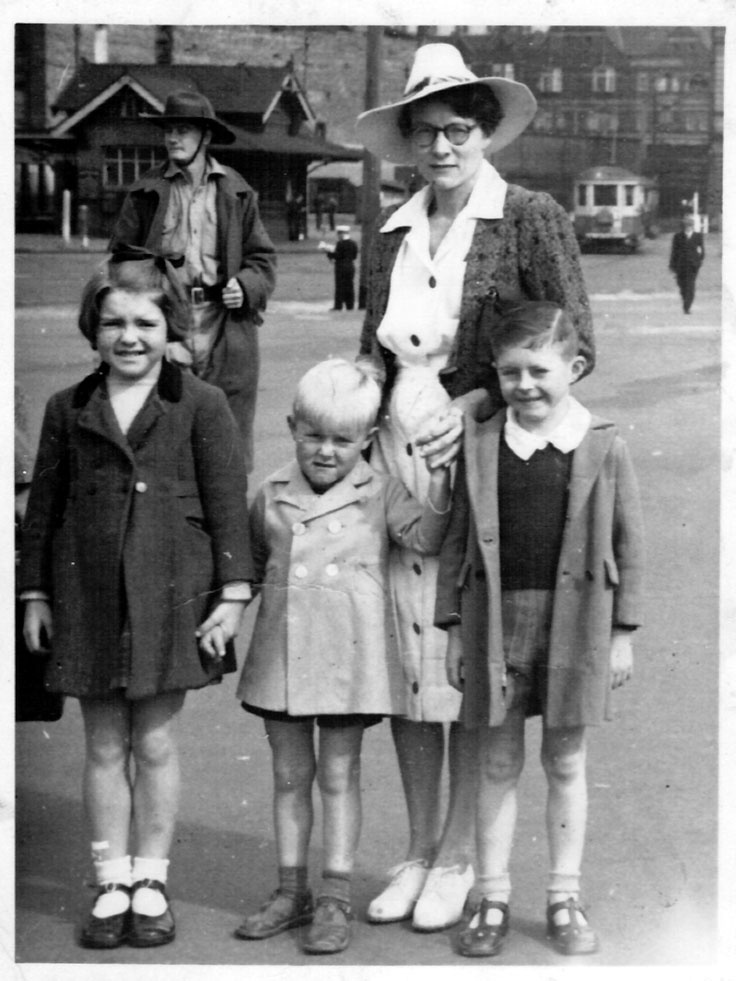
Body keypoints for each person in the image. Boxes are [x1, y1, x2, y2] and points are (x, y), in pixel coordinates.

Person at [355, 42, 594, 932]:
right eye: (425, 132)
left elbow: (578, 344)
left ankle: (460, 856)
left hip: (485, 464)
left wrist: (476, 401)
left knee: (462, 662)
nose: (442, 146)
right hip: (396, 459)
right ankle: (419, 849)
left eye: (458, 128)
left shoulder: (529, 216)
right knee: (406, 665)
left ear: (486, 131)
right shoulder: (390, 231)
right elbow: (373, 351)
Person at [19, 254, 254, 949]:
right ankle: (110, 879)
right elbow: (43, 510)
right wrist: (35, 591)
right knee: (102, 743)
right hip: (87, 597)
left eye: (146, 323)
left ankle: (150, 879)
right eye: (113, 323)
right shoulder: (67, 408)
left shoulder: (200, 403)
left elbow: (227, 502)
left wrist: (233, 593)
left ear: (171, 326)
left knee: (153, 741)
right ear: (92, 330)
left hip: (172, 593)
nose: (129, 337)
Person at [435, 299, 644, 957]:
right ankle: (491, 895)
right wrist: (452, 629)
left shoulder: (604, 443)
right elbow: (457, 540)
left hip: (574, 626)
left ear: (574, 367)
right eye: (510, 373)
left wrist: (621, 633)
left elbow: (629, 543)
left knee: (566, 760)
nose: (524, 385)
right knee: (497, 760)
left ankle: (563, 896)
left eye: (538, 370)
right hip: (497, 623)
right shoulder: (481, 445)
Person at [234, 359, 452, 954]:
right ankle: (290, 891)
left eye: (343, 439)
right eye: (313, 435)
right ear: (292, 427)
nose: (326, 451)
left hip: (346, 665)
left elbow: (427, 535)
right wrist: (226, 613)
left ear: (367, 439)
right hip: (281, 660)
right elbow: (247, 569)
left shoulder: (381, 491)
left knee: (337, 775)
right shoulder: (272, 493)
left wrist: (441, 477)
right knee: (288, 777)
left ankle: (334, 896)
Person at [109, 89, 277, 472]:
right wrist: (149, 310)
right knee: (164, 440)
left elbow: (263, 259)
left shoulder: (236, 191)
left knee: (225, 445)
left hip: (224, 329)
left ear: (206, 136)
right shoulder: (146, 191)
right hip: (168, 327)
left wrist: (246, 285)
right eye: (168, 130)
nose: (172, 138)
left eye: (182, 130)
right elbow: (120, 261)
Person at [669, 213, 704, 314]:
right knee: (682, 286)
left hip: (693, 266)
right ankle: (685, 300)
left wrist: (698, 262)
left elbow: (702, 251)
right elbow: (674, 251)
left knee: (690, 287)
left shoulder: (698, 236)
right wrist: (672, 265)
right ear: (683, 226)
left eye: (690, 225)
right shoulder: (677, 236)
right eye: (686, 225)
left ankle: (687, 307)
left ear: (692, 226)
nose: (688, 227)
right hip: (680, 265)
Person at [327, 225, 359, 311]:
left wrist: (329, 253)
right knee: (350, 286)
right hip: (350, 266)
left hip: (341, 267)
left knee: (340, 286)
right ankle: (350, 305)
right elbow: (354, 256)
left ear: (341, 234)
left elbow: (338, 256)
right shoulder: (353, 243)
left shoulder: (340, 244)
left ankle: (338, 305)